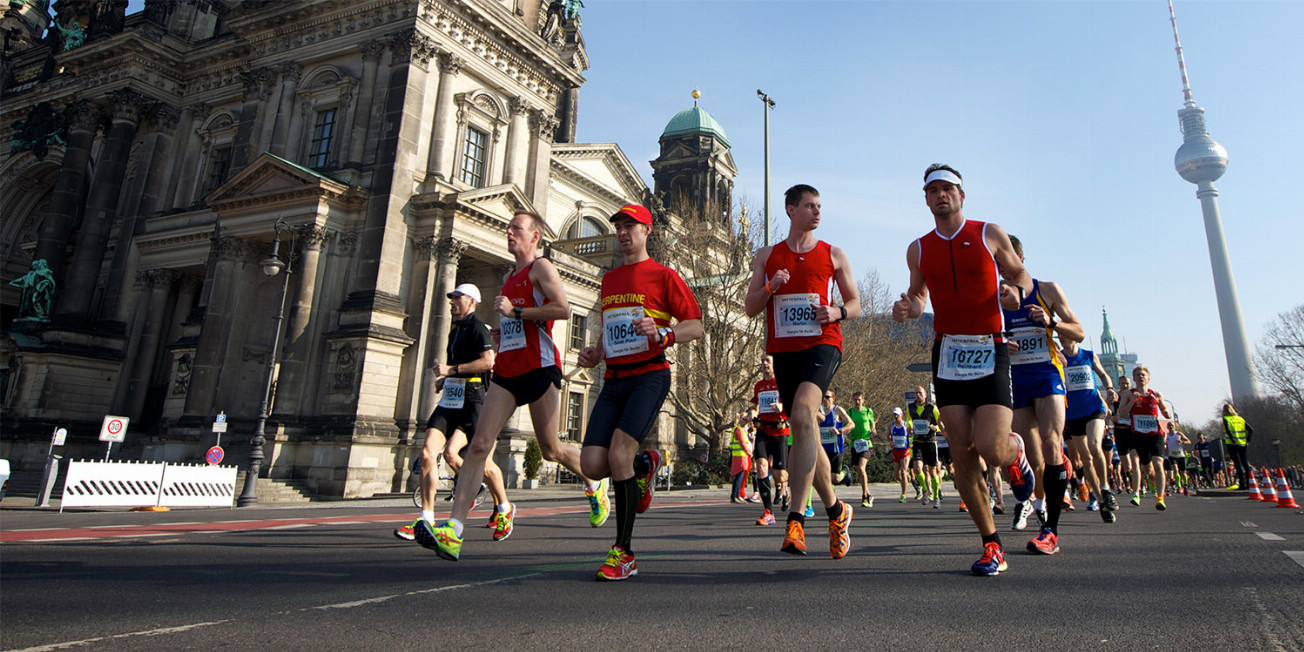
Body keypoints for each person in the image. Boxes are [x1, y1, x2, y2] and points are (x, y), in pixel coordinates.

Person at [414, 212, 610, 560]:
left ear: (534, 237)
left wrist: (516, 314)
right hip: (507, 370)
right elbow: (516, 322)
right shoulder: (507, 277)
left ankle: (595, 483)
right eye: (508, 227)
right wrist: (502, 332)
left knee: (551, 449)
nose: (509, 232)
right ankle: (454, 530)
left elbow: (563, 309)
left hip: (539, 368)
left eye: (516, 228)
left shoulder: (541, 268)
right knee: (478, 445)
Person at [892, 163, 1036, 575]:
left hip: (990, 348)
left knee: (991, 446)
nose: (941, 196)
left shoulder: (989, 232)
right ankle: (992, 545)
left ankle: (1015, 454)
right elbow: (919, 297)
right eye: (933, 190)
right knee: (961, 452)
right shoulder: (918, 248)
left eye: (948, 189)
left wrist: (1015, 291)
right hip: (948, 352)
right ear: (925, 198)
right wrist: (908, 308)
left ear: (961, 195)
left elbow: (1020, 273)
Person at [575, 204, 703, 581]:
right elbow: (608, 331)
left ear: (647, 231)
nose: (622, 231)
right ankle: (646, 464)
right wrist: (595, 352)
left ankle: (624, 553)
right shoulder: (610, 279)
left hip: (649, 376)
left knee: (617, 456)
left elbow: (695, 325)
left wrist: (664, 334)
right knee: (591, 465)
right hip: (614, 379)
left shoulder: (664, 276)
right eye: (618, 226)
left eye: (630, 225)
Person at [744, 183, 860, 559]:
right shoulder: (767, 255)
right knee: (804, 427)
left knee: (801, 413)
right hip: (785, 351)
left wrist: (838, 311)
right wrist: (770, 287)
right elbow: (749, 306)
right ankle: (837, 510)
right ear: (790, 209)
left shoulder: (833, 253)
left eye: (820, 206)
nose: (817, 212)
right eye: (810, 206)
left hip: (823, 343)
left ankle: (795, 518)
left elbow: (855, 302)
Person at [395, 283, 508, 542]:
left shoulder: (478, 327)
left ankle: (503, 507)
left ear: (472, 301)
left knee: (484, 462)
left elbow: (488, 362)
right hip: (451, 399)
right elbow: (456, 367)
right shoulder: (455, 331)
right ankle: (426, 519)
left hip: (473, 399)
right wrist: (445, 380)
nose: (452, 301)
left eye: (458, 298)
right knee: (427, 454)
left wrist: (451, 371)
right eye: (452, 298)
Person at [1001, 235, 1085, 554]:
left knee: (1052, 443)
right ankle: (1037, 507)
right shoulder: (994, 297)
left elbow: (1078, 330)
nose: (1001, 268)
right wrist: (1000, 344)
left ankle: (1051, 531)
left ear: (1021, 257)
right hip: (1018, 378)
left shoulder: (1047, 289)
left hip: (1048, 374)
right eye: (997, 262)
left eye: (1006, 260)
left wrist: (1051, 322)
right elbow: (982, 335)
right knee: (1033, 458)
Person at [1059, 334, 1119, 523]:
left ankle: (1106, 488)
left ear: (1075, 338)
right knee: (1085, 458)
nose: (1062, 339)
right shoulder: (1059, 356)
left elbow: (1102, 373)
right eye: (1059, 336)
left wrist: (1109, 387)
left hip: (1094, 408)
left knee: (1094, 445)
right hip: (1073, 413)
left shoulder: (1089, 355)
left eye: (1065, 336)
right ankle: (1101, 502)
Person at [1117, 365, 1173, 510]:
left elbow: (1164, 409)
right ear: (1134, 379)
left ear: (1148, 378)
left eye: (1143, 375)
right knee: (1143, 466)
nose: (1141, 377)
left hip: (1155, 435)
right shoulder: (1128, 394)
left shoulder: (1156, 394)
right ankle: (1139, 489)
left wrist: (1167, 414)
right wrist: (1132, 402)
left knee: (1158, 463)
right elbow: (1122, 413)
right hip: (1137, 434)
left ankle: (1160, 498)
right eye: (1138, 375)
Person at [751, 355, 790, 525]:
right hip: (763, 431)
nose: (765, 364)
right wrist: (749, 416)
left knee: (779, 475)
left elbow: (792, 405)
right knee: (761, 467)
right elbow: (755, 408)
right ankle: (768, 512)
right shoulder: (758, 386)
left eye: (768, 361)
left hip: (780, 432)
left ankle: (785, 490)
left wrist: (782, 407)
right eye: (763, 361)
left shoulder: (782, 383)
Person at [907, 385, 944, 508]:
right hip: (918, 441)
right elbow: (909, 420)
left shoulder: (932, 407)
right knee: (917, 469)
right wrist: (910, 427)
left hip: (930, 442)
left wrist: (936, 428)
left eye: (920, 393)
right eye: (916, 393)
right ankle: (925, 490)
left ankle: (936, 496)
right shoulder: (911, 407)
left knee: (933, 472)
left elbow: (940, 422)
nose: (918, 395)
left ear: (925, 395)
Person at [846, 391, 877, 507]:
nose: (857, 402)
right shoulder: (850, 412)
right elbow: (847, 424)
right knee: (858, 469)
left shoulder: (868, 411)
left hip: (866, 443)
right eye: (855, 400)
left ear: (863, 400)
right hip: (855, 443)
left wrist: (873, 429)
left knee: (862, 468)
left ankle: (864, 495)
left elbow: (872, 422)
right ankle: (868, 493)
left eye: (859, 399)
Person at [1221, 403, 1253, 490]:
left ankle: (1242, 484)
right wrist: (1248, 440)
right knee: (1245, 463)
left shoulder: (1226, 419)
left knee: (1238, 464)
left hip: (1233, 445)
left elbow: (1228, 431)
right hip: (1242, 443)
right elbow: (1250, 429)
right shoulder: (1240, 419)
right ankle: (1250, 483)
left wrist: (1233, 440)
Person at [889, 407, 912, 502]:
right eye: (894, 414)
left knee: (903, 472)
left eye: (897, 415)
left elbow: (912, 435)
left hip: (904, 451)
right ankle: (906, 478)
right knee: (897, 475)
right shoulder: (891, 425)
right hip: (895, 451)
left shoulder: (906, 425)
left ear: (902, 415)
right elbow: (888, 435)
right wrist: (890, 442)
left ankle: (904, 494)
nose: (896, 416)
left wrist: (911, 443)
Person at [730, 413, 755, 503]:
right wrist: (749, 452)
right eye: (744, 419)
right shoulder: (738, 430)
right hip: (739, 455)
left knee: (740, 476)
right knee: (739, 477)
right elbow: (742, 443)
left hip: (741, 455)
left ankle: (736, 495)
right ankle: (734, 495)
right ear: (739, 419)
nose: (745, 422)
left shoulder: (741, 430)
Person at [1165, 422, 1191, 495]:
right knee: (1175, 469)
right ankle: (1179, 486)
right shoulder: (1167, 436)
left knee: (1183, 472)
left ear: (1174, 427)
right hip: (1171, 455)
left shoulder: (1178, 434)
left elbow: (1188, 441)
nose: (1171, 427)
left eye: (1172, 425)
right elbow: (1165, 443)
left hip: (1180, 455)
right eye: (1169, 426)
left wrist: (1181, 441)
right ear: (1167, 427)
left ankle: (1185, 486)